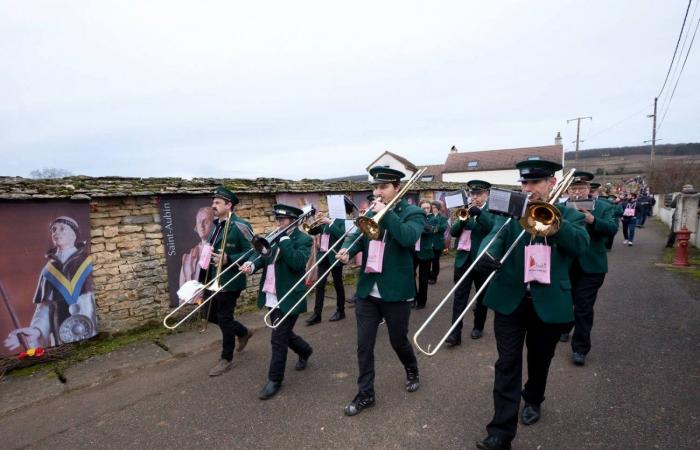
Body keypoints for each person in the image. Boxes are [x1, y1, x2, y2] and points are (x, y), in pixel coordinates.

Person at [474, 160, 589, 450]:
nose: (527, 188)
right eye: (524, 183)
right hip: (511, 301)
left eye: (534, 183)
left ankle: (534, 398)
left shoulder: (567, 214)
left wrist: (553, 225)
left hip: (548, 303)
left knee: (539, 361)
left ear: (551, 183)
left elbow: (580, 246)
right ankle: (500, 432)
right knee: (507, 363)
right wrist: (486, 252)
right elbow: (495, 234)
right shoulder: (513, 213)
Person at [336, 167, 426, 417]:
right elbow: (357, 236)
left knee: (398, 340)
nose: (377, 192)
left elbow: (408, 238)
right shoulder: (371, 211)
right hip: (367, 290)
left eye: (383, 187)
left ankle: (411, 368)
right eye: (375, 187)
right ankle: (366, 394)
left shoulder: (413, 212)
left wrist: (384, 215)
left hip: (396, 290)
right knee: (364, 345)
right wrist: (347, 251)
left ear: (397, 188)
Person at [240, 203, 314, 400]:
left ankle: (275, 380)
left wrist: (286, 241)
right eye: (277, 219)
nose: (278, 223)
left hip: (290, 295)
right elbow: (262, 257)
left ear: (292, 221)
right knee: (283, 332)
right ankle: (305, 350)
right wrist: (251, 265)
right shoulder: (272, 236)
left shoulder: (304, 239)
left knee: (278, 338)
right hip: (272, 293)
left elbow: (297, 263)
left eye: (282, 219)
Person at [4, 216, 98, 351]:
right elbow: (45, 307)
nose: (56, 232)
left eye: (62, 229)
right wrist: (37, 330)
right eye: (54, 229)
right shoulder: (48, 270)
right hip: (60, 334)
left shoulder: (86, 263)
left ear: (74, 235)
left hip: (88, 330)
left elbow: (93, 300)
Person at [559, 172, 618, 366]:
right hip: (568, 264)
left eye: (581, 188)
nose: (577, 192)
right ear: (568, 190)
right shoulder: (561, 207)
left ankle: (580, 348)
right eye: (573, 189)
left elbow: (612, 229)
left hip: (592, 266)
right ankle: (565, 327)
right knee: (566, 301)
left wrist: (593, 221)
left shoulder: (604, 206)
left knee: (583, 307)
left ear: (589, 189)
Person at [202, 187, 255, 377]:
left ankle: (226, 358)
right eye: (213, 202)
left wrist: (229, 258)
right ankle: (242, 332)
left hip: (230, 280)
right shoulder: (216, 225)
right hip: (212, 278)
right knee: (207, 314)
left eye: (217, 203)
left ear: (229, 205)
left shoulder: (241, 225)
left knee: (224, 318)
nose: (213, 205)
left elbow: (253, 251)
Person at [446, 180, 495, 345]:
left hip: (481, 261)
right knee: (459, 297)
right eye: (472, 193)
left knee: (482, 297)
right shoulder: (464, 210)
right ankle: (454, 333)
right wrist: (463, 220)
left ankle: (478, 326)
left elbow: (492, 228)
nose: (475, 197)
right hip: (463, 260)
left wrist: (479, 214)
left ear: (487, 194)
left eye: (479, 194)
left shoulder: (491, 210)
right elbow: (453, 232)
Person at [305, 196, 354, 325]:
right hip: (323, 255)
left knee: (338, 284)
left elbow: (342, 235)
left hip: (335, 255)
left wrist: (329, 223)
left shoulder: (342, 219)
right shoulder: (327, 217)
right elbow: (313, 230)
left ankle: (341, 310)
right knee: (320, 285)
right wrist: (315, 220)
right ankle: (317, 314)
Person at [179, 206, 214, 287]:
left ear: (213, 224)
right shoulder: (188, 257)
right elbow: (182, 290)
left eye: (205, 222)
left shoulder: (219, 249)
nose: (201, 226)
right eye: (199, 222)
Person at [414, 200, 435, 309]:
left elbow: (429, 229)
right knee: (410, 275)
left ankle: (421, 302)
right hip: (414, 251)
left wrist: (416, 227)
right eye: (423, 208)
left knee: (423, 279)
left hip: (425, 252)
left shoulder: (433, 218)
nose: (426, 210)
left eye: (428, 208)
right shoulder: (415, 218)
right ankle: (413, 298)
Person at [428, 202, 448, 284]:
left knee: (435, 261)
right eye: (432, 207)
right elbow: (427, 226)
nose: (433, 209)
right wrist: (433, 228)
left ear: (438, 208)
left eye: (435, 207)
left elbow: (444, 227)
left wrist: (436, 228)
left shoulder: (443, 218)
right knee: (427, 260)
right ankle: (428, 275)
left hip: (438, 242)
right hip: (429, 242)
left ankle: (434, 277)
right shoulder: (429, 216)